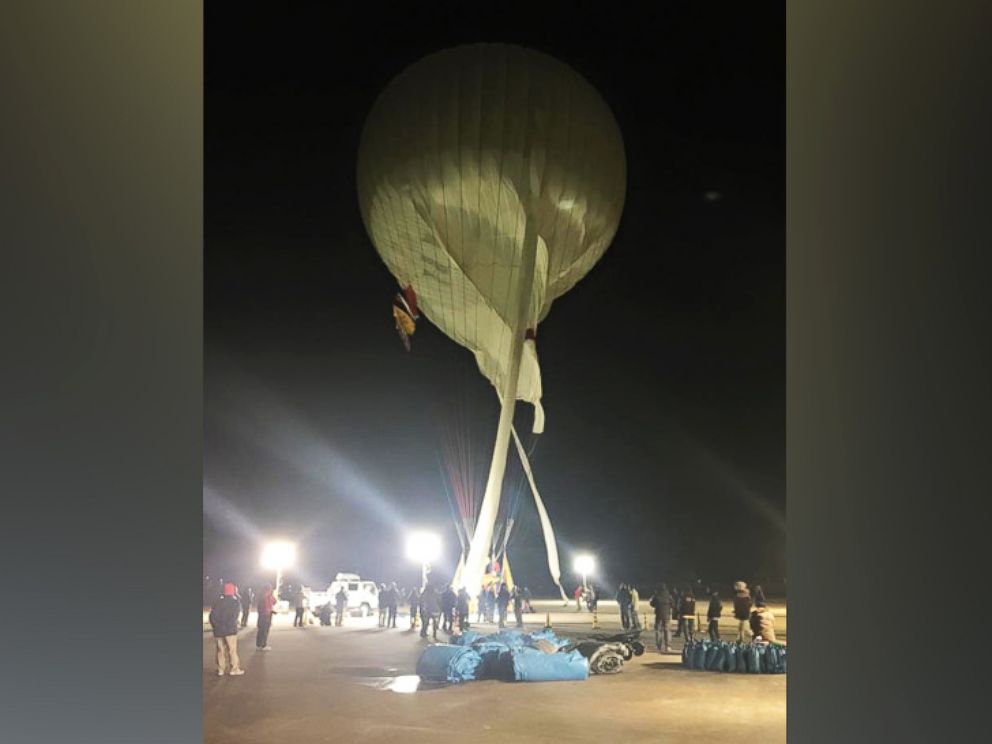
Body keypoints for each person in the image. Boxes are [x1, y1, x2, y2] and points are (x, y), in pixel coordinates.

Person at [209, 582, 245, 676]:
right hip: (230, 630)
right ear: (233, 591)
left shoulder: (218, 602)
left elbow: (212, 615)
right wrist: (229, 625)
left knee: (220, 650)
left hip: (218, 630)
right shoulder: (235, 602)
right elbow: (234, 616)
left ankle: (221, 669)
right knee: (232, 650)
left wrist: (216, 626)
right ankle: (234, 669)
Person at [650, 584, 673, 652]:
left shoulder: (657, 595)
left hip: (659, 615)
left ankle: (658, 646)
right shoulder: (669, 596)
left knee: (658, 631)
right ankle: (667, 646)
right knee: (667, 630)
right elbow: (673, 604)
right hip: (667, 615)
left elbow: (652, 604)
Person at [255, 584, 276, 650]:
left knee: (260, 630)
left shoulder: (261, 596)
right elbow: (274, 602)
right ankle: (263, 645)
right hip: (266, 616)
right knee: (265, 630)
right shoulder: (268, 597)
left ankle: (259, 645)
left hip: (261, 616)